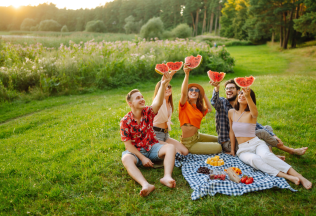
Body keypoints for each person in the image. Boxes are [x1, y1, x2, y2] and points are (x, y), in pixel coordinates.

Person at [228, 87, 312, 189]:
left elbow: (255, 112)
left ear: (250, 98)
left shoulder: (251, 113)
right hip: (243, 149)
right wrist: (232, 150)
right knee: (255, 160)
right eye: (240, 93)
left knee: (266, 156)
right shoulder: (231, 112)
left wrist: (247, 95)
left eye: (244, 94)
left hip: (256, 143)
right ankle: (288, 177)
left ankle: (299, 176)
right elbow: (231, 132)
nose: (241, 95)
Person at [210, 79, 308, 157]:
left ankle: (270, 154)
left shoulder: (241, 105)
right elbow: (214, 102)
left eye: (232, 88)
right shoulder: (221, 103)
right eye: (226, 88)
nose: (229, 90)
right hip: (229, 143)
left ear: (238, 90)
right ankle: (291, 151)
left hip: (243, 138)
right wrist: (216, 89)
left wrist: (272, 135)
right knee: (261, 132)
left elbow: (254, 124)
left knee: (267, 128)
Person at [120, 72, 176, 197]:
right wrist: (142, 158)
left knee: (171, 147)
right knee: (126, 158)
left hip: (152, 147)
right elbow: (128, 146)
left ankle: (166, 177)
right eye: (138, 98)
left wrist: (162, 84)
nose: (142, 99)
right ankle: (145, 185)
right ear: (130, 103)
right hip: (136, 152)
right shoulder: (125, 121)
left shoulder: (148, 112)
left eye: (142, 96)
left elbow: (158, 102)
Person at [178, 64, 222, 154]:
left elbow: (209, 109)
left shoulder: (198, 109)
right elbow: (183, 94)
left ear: (199, 95)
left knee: (220, 139)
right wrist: (186, 74)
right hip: (189, 143)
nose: (194, 91)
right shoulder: (183, 105)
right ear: (187, 92)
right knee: (219, 147)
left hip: (197, 136)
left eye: (196, 90)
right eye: (191, 90)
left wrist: (203, 93)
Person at [153, 72, 189, 155]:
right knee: (178, 153)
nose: (167, 89)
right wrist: (171, 73)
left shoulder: (168, 103)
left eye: (169, 87)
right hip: (156, 136)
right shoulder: (158, 102)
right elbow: (163, 84)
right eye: (165, 87)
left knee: (185, 152)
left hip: (165, 135)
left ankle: (164, 152)